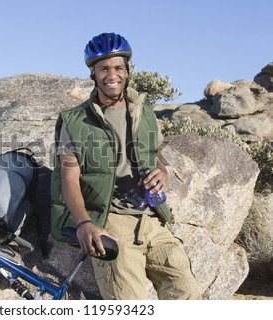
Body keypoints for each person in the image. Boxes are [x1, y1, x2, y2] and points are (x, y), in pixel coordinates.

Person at [51, 32, 201, 300]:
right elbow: (70, 178)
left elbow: (153, 152)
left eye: (119, 67)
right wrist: (84, 222)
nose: (112, 75)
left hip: (153, 218)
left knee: (187, 292)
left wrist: (162, 170)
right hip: (113, 222)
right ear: (93, 74)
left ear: (128, 70)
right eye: (104, 69)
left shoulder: (143, 111)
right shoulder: (75, 121)